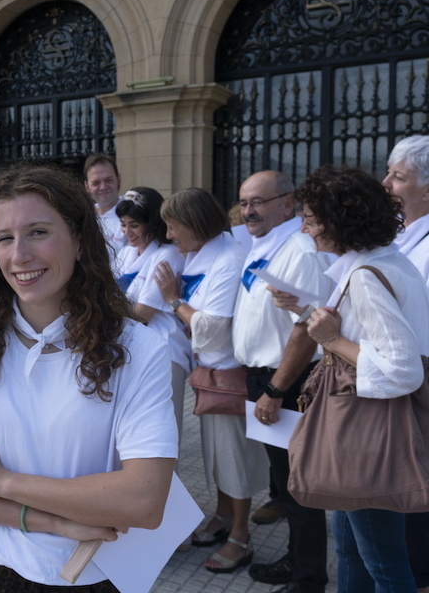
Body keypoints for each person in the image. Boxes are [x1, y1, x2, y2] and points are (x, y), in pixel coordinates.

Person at [0, 165, 177, 591]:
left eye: (38, 232)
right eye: (5, 238)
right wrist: (51, 520)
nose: (19, 255)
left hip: (92, 573)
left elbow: (144, 499)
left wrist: (2, 482)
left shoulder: (137, 348)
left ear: (79, 240)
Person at [295, 165, 429, 593]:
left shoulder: (367, 277)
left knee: (383, 563)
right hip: (365, 423)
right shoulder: (385, 261)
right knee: (354, 552)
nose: (304, 228)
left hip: (366, 432)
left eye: (312, 219)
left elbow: (400, 369)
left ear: (341, 221)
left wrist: (332, 339)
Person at [155, 188, 267, 574]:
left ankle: (240, 535)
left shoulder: (229, 257)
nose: (169, 236)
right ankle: (221, 515)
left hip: (228, 373)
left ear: (196, 224)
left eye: (173, 227)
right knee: (214, 454)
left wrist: (173, 301)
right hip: (208, 373)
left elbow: (215, 327)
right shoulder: (202, 252)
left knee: (234, 456)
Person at [232, 171, 333, 593]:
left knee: (299, 486)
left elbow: (306, 330)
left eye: (258, 201)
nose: (248, 210)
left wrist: (275, 389)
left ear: (287, 204)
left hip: (285, 381)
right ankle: (297, 561)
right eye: (243, 202)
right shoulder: (266, 245)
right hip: (264, 378)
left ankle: (308, 578)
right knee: (286, 483)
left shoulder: (301, 250)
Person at [380, 135, 429, 593]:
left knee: (416, 512)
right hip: (393, 383)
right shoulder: (400, 235)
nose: (387, 183)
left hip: (416, 387)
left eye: (398, 176)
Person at [114, 187, 189, 447]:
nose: (127, 233)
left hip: (165, 351)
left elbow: (143, 313)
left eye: (134, 225)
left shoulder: (167, 255)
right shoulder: (125, 253)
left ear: (152, 223)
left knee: (164, 430)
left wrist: (109, 311)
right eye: (123, 225)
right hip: (132, 349)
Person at [83, 154, 125, 253]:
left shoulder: (133, 216)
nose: (103, 187)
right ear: (86, 186)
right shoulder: (84, 216)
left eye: (108, 180)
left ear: (118, 180)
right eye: (96, 183)